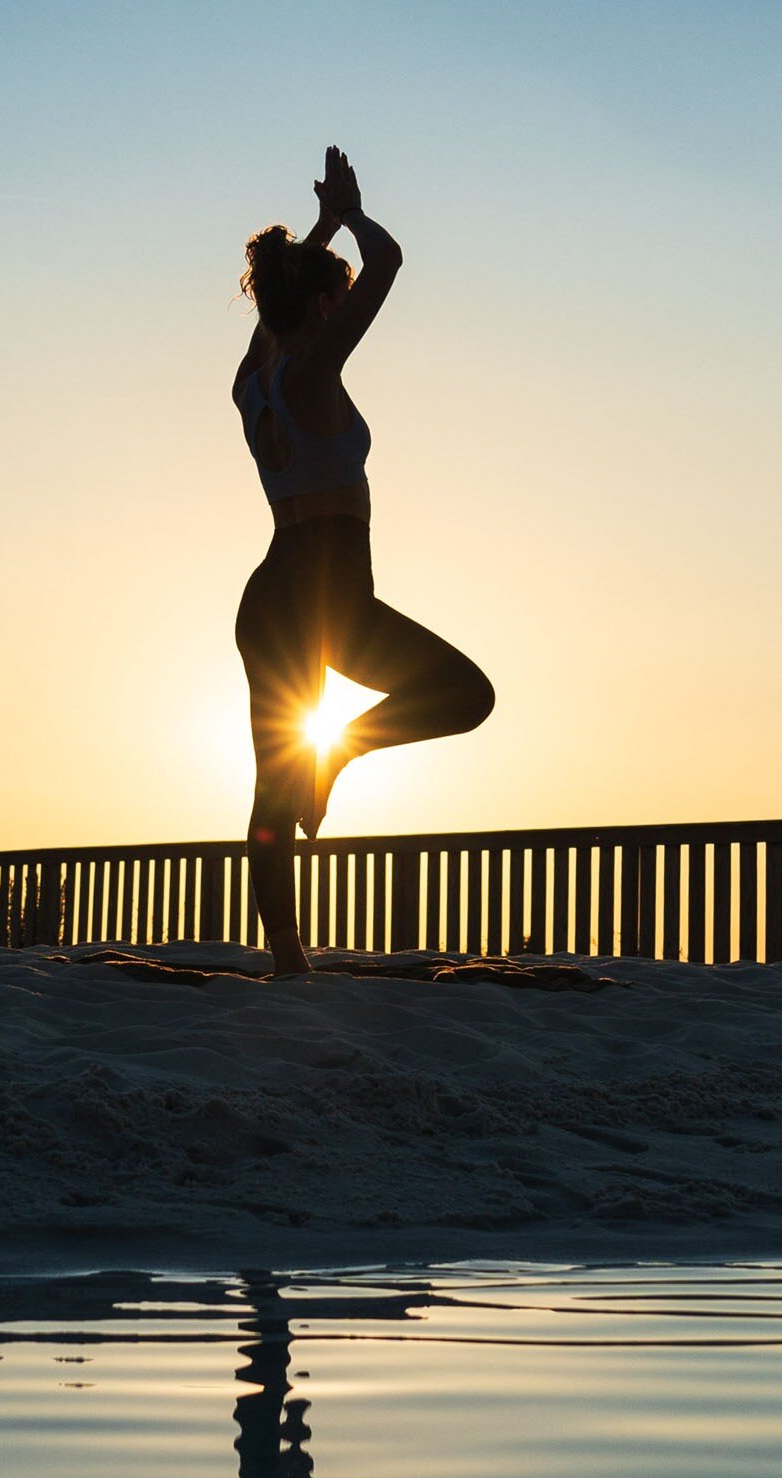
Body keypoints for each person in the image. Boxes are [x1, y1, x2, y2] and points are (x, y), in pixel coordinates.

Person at [234, 146, 494, 977]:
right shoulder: (308, 367)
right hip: (329, 594)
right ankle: (342, 748)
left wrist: (317, 230)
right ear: (317, 303)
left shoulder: (255, 374)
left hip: (273, 590)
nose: (346, 305)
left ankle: (286, 957)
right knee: (465, 694)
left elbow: (278, 305)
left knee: (273, 787)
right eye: (334, 297)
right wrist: (347, 217)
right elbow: (387, 261)